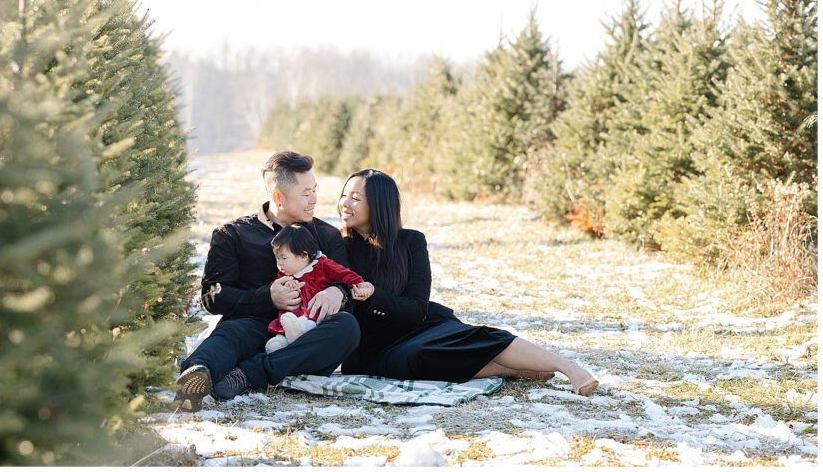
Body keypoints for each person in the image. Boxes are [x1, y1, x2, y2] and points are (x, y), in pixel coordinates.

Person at [337, 168, 599, 396]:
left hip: (418, 326)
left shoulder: (411, 242)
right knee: (420, 356)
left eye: (355, 198)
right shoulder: (339, 247)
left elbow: (417, 308)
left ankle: (569, 367)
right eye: (344, 195)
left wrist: (375, 294)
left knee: (477, 338)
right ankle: (514, 370)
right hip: (374, 348)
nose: (344, 203)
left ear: (380, 205)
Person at [174, 151, 361, 411]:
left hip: (306, 333)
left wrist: (339, 293)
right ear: (278, 197)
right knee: (231, 333)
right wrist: (267, 297)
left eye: (315, 190)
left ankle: (246, 374)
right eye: (306, 193)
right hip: (253, 325)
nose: (315, 199)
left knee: (347, 327)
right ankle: (196, 375)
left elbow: (349, 285)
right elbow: (212, 298)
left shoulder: (328, 236)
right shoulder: (233, 234)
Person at [265, 225, 374, 353]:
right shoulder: (285, 273)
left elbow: (346, 275)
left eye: (284, 258)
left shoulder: (322, 265)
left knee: (310, 325)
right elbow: (277, 287)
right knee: (279, 338)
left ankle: (300, 333)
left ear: (303, 256)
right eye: (277, 258)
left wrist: (361, 286)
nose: (280, 263)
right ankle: (282, 339)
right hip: (290, 318)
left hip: (313, 318)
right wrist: (284, 288)